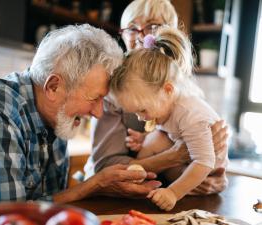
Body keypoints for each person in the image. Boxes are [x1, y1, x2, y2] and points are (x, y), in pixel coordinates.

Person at [0, 24, 162, 214]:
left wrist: (98, 187)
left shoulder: (57, 117)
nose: (98, 112)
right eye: (94, 98)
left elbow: (50, 203)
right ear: (53, 86)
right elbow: (10, 217)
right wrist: (94, 185)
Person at [84, 0, 229, 195]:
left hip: (159, 192)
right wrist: (176, 155)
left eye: (153, 26)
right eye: (132, 28)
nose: (142, 36)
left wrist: (208, 177)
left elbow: (206, 161)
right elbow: (105, 166)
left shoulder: (184, 92)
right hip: (114, 194)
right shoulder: (114, 89)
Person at [109, 27, 228, 211]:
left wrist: (173, 192)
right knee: (153, 138)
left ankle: (153, 185)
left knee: (156, 143)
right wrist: (143, 140)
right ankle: (140, 182)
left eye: (142, 110)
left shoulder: (191, 115)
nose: (140, 117)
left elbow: (203, 162)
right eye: (136, 112)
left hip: (206, 174)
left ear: (168, 90)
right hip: (185, 161)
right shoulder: (166, 104)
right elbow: (170, 133)